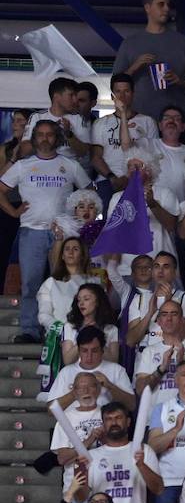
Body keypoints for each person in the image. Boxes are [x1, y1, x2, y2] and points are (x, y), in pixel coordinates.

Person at [0, 119, 92, 342]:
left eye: (49, 134)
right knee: (30, 284)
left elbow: (89, 193)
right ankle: (30, 330)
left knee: (63, 283)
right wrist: (13, 212)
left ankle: (65, 328)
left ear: (57, 138)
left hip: (64, 233)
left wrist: (81, 215)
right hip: (31, 232)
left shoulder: (70, 165)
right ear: (34, 139)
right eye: (40, 134)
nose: (44, 138)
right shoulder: (23, 165)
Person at [112, 0, 185, 118]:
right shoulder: (129, 43)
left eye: (168, 5)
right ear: (147, 8)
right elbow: (115, 84)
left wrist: (180, 82)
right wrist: (135, 66)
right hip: (139, 120)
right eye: (161, 4)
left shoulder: (184, 43)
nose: (167, 9)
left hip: (176, 121)